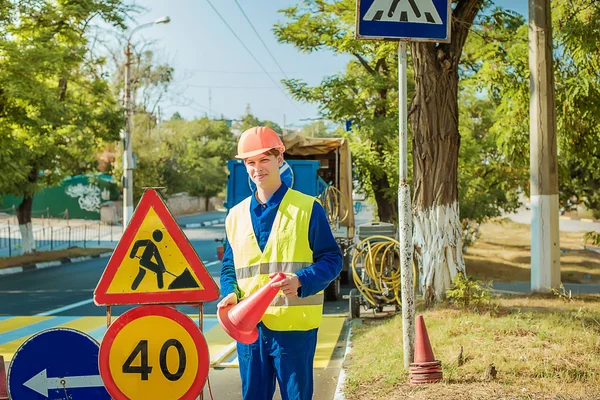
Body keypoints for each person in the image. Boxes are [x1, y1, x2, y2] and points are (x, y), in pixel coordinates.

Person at [218, 126, 342, 400]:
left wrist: (302, 281)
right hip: (250, 328)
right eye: (250, 162)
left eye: (264, 160)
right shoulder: (235, 216)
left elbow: (332, 258)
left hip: (294, 329)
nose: (257, 168)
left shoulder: (308, 208)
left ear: (279, 160)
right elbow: (230, 265)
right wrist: (229, 292)